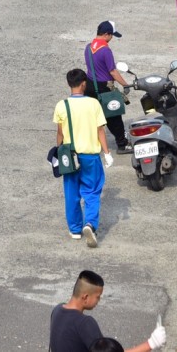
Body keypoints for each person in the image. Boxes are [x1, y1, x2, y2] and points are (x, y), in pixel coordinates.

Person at [55, 69, 113, 247]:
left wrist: (59, 153)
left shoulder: (61, 105)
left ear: (69, 84)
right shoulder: (93, 104)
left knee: (71, 193)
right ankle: (90, 224)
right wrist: (107, 153)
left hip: (71, 157)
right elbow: (100, 130)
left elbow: (60, 133)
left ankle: (74, 230)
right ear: (83, 84)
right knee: (92, 192)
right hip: (90, 157)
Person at [49, 270, 167, 352]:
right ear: (85, 297)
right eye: (98, 296)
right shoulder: (85, 324)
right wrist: (152, 343)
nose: (99, 300)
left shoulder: (57, 310)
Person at [85, 21, 132, 154]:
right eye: (111, 35)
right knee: (114, 116)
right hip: (104, 87)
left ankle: (90, 141)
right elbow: (113, 71)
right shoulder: (105, 50)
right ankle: (122, 144)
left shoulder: (88, 47)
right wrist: (125, 84)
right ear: (106, 34)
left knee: (93, 116)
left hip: (89, 85)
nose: (112, 38)